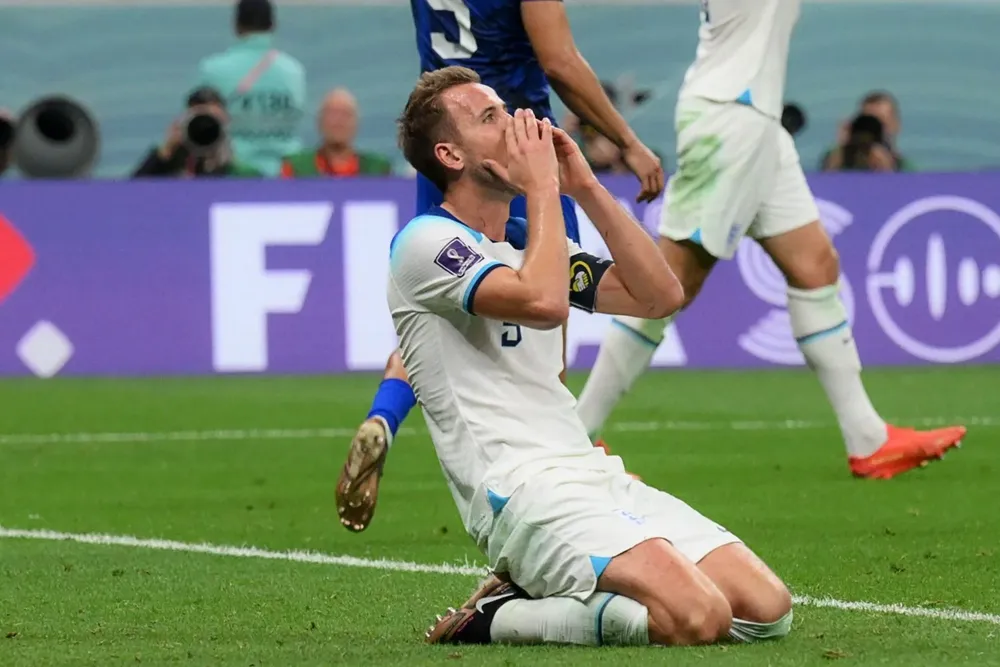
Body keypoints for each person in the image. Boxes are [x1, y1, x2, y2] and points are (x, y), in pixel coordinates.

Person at [389, 67, 792, 648]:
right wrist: (543, 187)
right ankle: (498, 619)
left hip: (588, 470)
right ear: (450, 155)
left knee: (764, 610)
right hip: (517, 489)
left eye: (507, 109)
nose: (518, 123)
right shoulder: (425, 245)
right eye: (490, 118)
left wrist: (586, 188)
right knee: (698, 616)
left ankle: (540, 589)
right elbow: (545, 303)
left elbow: (660, 297)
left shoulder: (534, 240)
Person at [573, 0, 965, 479]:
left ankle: (868, 437)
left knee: (815, 266)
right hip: (728, 119)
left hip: (757, 121)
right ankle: (574, 437)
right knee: (664, 287)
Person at [335, 0, 663, 531]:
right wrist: (626, 141)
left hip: (445, 151)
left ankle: (385, 416)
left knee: (438, 305)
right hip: (513, 150)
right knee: (546, 305)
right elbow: (558, 61)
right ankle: (558, 459)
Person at [196, 0, 306, 176]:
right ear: (273, 25)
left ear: (236, 25)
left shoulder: (212, 70)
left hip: (233, 177)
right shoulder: (295, 72)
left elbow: (198, 132)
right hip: (286, 176)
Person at [131, 87, 261, 178]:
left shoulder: (243, 175)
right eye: (198, 121)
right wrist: (165, 152)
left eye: (212, 122)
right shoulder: (168, 173)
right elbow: (129, 194)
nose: (204, 129)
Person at [280, 88, 393, 177]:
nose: (338, 122)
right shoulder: (295, 168)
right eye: (332, 114)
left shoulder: (378, 170)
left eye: (346, 114)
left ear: (356, 123)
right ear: (319, 121)